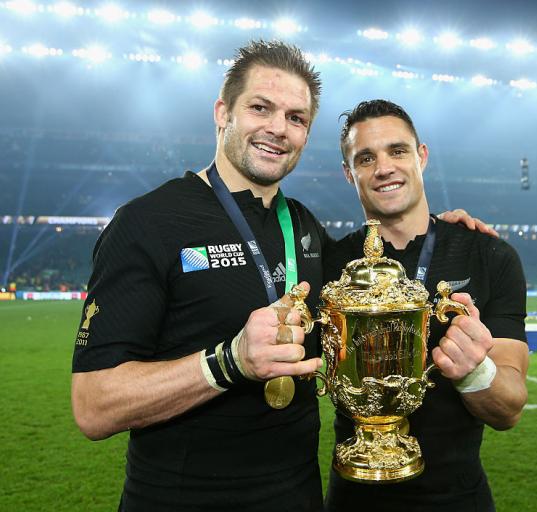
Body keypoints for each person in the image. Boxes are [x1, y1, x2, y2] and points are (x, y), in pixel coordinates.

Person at [71, 41, 494, 511]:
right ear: (222, 112)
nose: (278, 128)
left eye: (296, 118)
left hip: (299, 497)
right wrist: (228, 361)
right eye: (260, 108)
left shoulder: (305, 228)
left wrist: (447, 226)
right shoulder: (148, 222)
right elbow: (94, 405)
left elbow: (381, 267)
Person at [324, 100, 529, 512]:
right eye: (366, 158)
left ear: (421, 156)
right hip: (354, 494)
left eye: (397, 151)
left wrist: (475, 371)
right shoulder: (331, 265)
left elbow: (508, 408)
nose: (384, 167)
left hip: (456, 498)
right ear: (350, 174)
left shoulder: (488, 256)